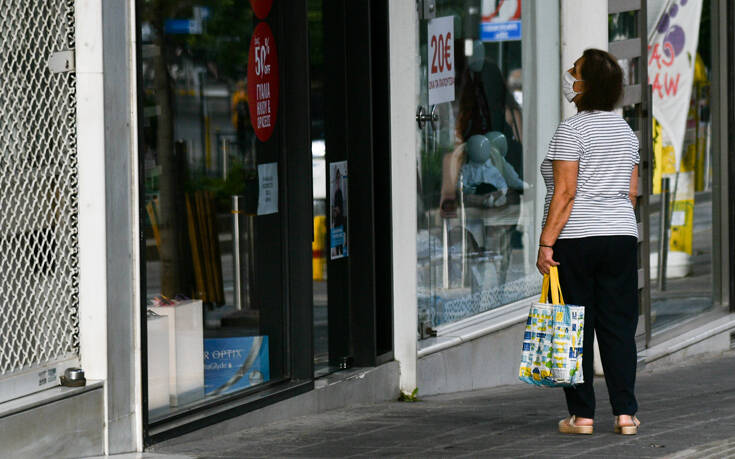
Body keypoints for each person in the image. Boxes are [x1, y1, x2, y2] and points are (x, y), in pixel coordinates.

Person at [536, 49, 641, 436]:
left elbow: (565, 193)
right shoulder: (625, 131)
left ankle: (582, 416)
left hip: (577, 238)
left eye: (575, 71)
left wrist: (546, 244)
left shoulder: (572, 130)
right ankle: (626, 414)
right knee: (618, 326)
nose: (569, 75)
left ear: (586, 85)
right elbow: (630, 194)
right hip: (620, 236)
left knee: (572, 326)